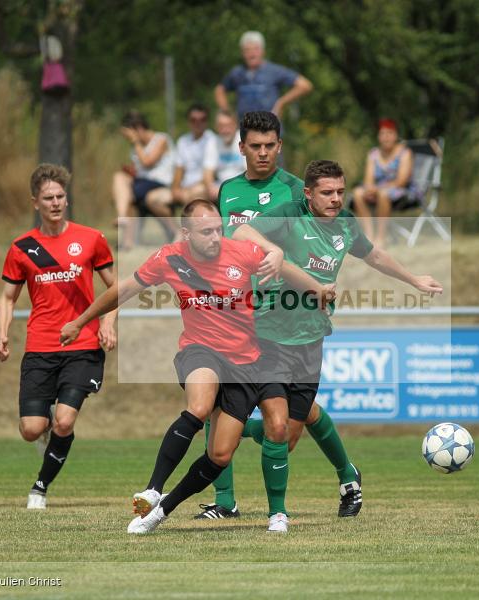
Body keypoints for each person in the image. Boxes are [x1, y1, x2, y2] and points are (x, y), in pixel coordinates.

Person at [59, 200, 329, 534]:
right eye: (206, 232)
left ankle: (160, 511)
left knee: (219, 456)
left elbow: (284, 268)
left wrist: (317, 289)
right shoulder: (168, 258)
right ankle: (153, 489)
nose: (216, 237)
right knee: (199, 406)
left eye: (218, 229)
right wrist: (81, 320)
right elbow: (123, 290)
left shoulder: (242, 252)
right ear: (186, 234)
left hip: (245, 361)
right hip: (200, 351)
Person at [231, 159, 443, 525]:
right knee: (277, 427)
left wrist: (413, 279)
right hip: (270, 334)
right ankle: (275, 510)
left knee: (287, 436)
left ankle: (347, 472)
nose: (335, 199)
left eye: (341, 192)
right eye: (327, 193)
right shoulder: (288, 214)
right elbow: (241, 234)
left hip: (312, 337)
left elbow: (373, 253)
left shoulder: (345, 222)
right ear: (308, 193)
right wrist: (274, 251)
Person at [195, 110, 304, 521]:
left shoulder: (296, 190)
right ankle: (225, 502)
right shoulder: (228, 190)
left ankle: (344, 472)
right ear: (240, 147)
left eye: (270, 146)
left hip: (281, 319)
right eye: (254, 146)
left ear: (280, 145)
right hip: (233, 317)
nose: (262, 153)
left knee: (287, 427)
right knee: (213, 407)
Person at [0, 164, 118, 510]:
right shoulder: (22, 247)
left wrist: (108, 323)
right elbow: (7, 297)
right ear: (36, 202)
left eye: (61, 196)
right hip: (40, 346)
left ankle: (40, 487)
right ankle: (46, 428)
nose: (56, 203)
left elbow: (116, 290)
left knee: (65, 420)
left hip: (82, 344)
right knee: (31, 429)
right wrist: (2, 334)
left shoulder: (91, 239)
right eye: (48, 198)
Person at [214, 31, 313, 120]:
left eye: (256, 49)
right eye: (247, 50)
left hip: (270, 132)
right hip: (244, 132)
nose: (252, 54)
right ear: (242, 53)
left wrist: (281, 103)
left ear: (263, 51)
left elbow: (305, 85)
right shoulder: (237, 72)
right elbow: (219, 90)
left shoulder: (274, 70)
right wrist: (227, 112)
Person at [112, 111, 175, 248]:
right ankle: (122, 218)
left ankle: (128, 239)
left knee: (130, 194)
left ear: (139, 128)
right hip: (142, 183)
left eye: (129, 134)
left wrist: (135, 142)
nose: (128, 139)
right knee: (120, 178)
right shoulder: (136, 146)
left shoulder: (161, 139)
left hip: (160, 182)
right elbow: (140, 169)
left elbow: (147, 162)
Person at [151, 103, 216, 233]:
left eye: (202, 119)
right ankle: (177, 233)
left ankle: (188, 235)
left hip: (201, 186)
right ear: (188, 122)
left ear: (207, 121)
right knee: (153, 199)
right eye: (193, 120)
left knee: (194, 195)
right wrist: (175, 188)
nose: (197, 123)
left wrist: (186, 190)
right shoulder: (183, 141)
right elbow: (179, 169)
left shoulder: (212, 139)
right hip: (184, 188)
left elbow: (208, 175)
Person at [351, 118, 414, 247]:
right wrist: (369, 189)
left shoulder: (405, 153)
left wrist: (377, 189)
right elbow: (368, 180)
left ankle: (381, 238)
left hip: (400, 190)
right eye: (383, 134)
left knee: (383, 194)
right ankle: (368, 236)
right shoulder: (373, 154)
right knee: (357, 192)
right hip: (377, 190)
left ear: (396, 135)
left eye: (389, 133)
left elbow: (401, 181)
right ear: (378, 136)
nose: (386, 138)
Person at [203, 109, 247, 200]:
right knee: (198, 193)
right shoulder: (212, 142)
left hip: (243, 184)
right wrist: (210, 188)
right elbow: (207, 172)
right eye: (221, 126)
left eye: (228, 125)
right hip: (220, 186)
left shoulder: (244, 139)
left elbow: (250, 172)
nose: (225, 129)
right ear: (216, 127)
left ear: (235, 125)